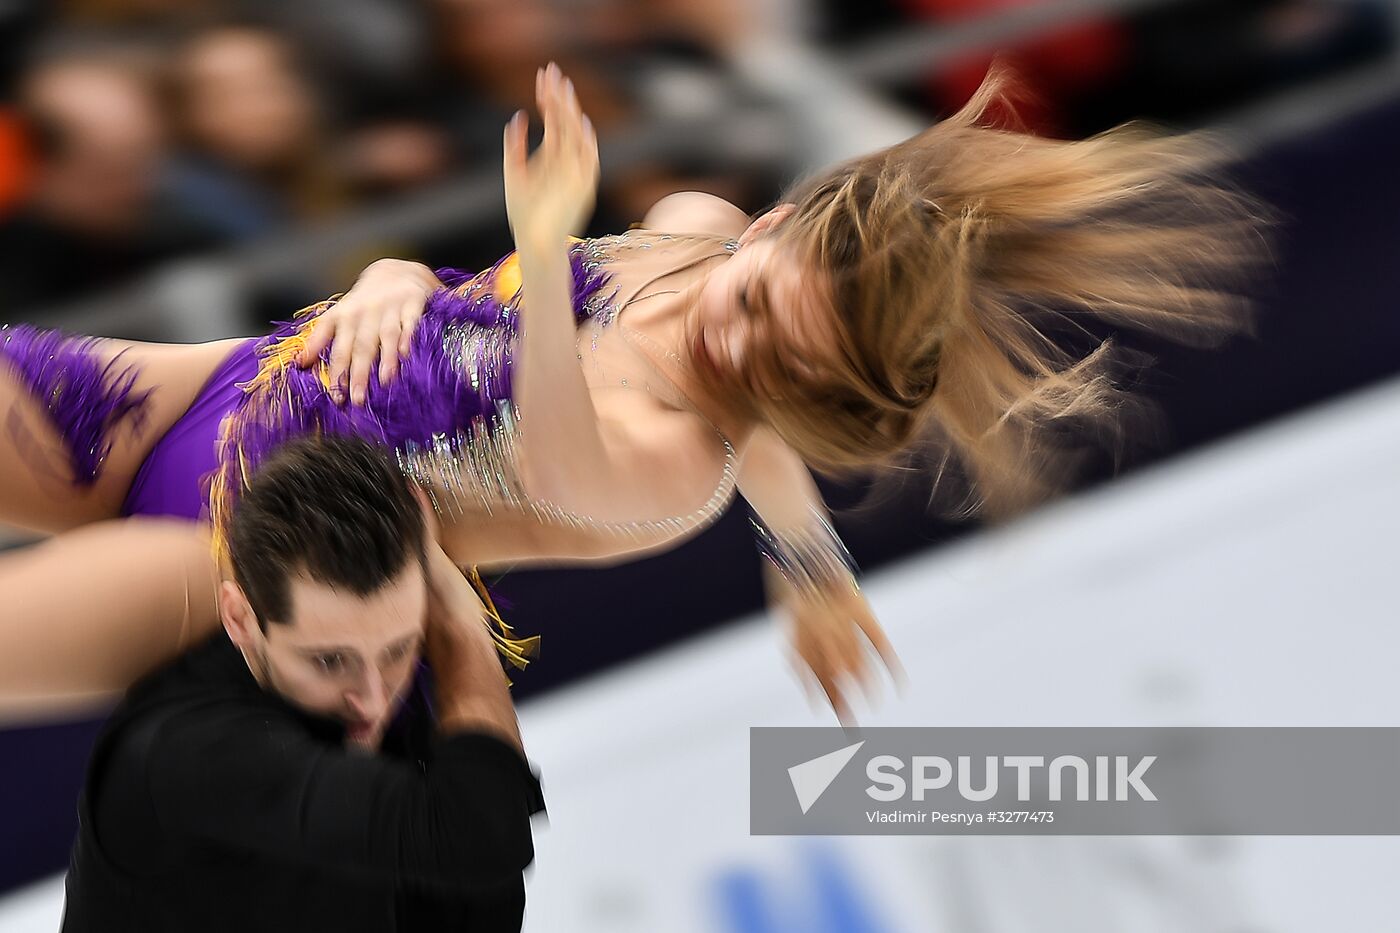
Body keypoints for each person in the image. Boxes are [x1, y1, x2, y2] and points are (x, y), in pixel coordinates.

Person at [0, 62, 1263, 725]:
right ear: (767, 222)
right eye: (757, 292)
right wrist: (813, 570)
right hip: (198, 397)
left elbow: (558, 453)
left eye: (776, 363)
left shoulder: (675, 469)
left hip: (236, 555)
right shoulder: (692, 239)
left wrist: (541, 249)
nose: (732, 333)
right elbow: (769, 427)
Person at [61, 434, 546, 932]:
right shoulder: (185, 751)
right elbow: (482, 835)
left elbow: (485, 890)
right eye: (330, 660)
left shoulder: (372, 707)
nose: (374, 699)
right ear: (241, 619)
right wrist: (459, 629)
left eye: (398, 649)